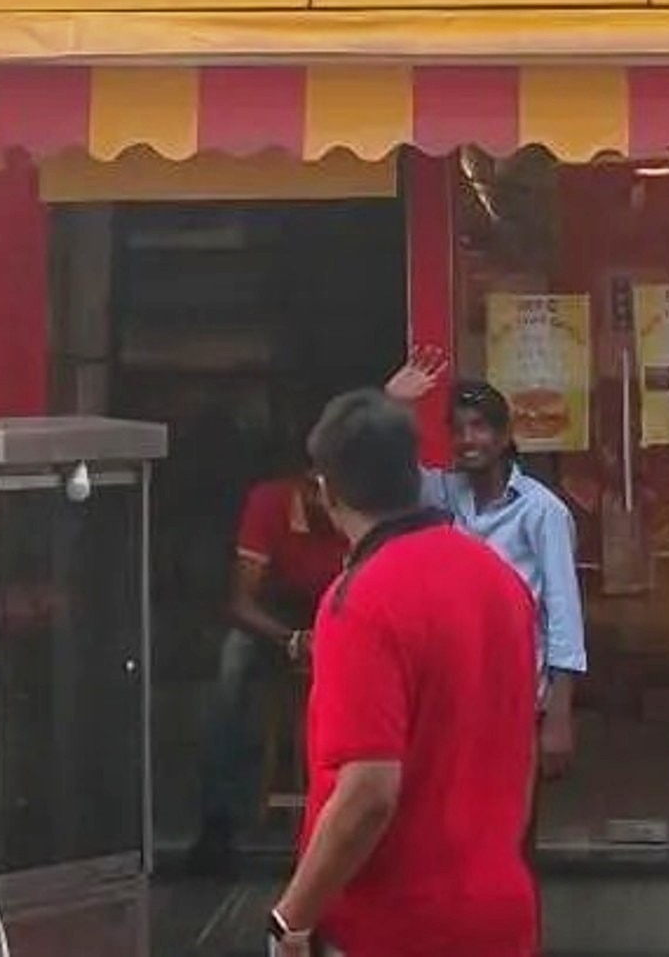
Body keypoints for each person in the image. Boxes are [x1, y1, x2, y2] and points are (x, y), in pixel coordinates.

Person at [271, 389, 538, 957]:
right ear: (415, 474)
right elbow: (522, 746)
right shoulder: (500, 580)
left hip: (392, 924)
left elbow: (369, 792)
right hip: (500, 910)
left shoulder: (359, 601)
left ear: (327, 490)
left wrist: (289, 919)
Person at [386, 350, 587, 781]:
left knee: (514, 818)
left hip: (520, 701)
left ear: (503, 435)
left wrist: (559, 714)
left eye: (479, 427)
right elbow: (387, 475)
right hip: (454, 701)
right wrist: (393, 405)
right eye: (458, 430)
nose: (468, 439)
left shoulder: (540, 510)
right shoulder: (443, 494)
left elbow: (564, 615)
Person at [186, 462, 350, 876]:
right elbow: (241, 603)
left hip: (346, 616)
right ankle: (218, 822)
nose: (329, 499)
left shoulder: (361, 506)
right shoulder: (269, 503)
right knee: (231, 663)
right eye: (320, 487)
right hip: (275, 622)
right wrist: (291, 639)